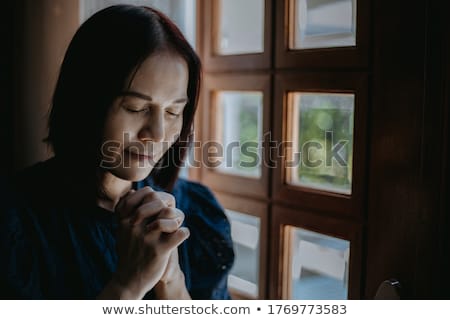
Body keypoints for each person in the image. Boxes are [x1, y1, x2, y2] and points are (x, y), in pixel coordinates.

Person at [0, 5, 234, 299]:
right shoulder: (15, 221)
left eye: (174, 111)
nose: (158, 133)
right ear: (85, 101)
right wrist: (128, 284)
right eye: (136, 108)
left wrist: (171, 280)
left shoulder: (196, 213)